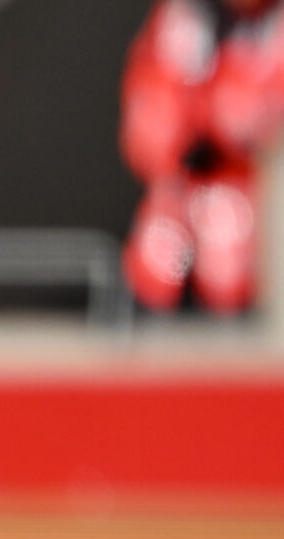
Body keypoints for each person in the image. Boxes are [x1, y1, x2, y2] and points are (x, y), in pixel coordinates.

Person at [121, 0, 284, 315]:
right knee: (159, 252)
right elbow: (148, 122)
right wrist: (185, 127)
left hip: (258, 192)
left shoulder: (274, 25)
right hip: (185, 182)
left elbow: (255, 114)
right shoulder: (185, 18)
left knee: (227, 236)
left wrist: (228, 109)